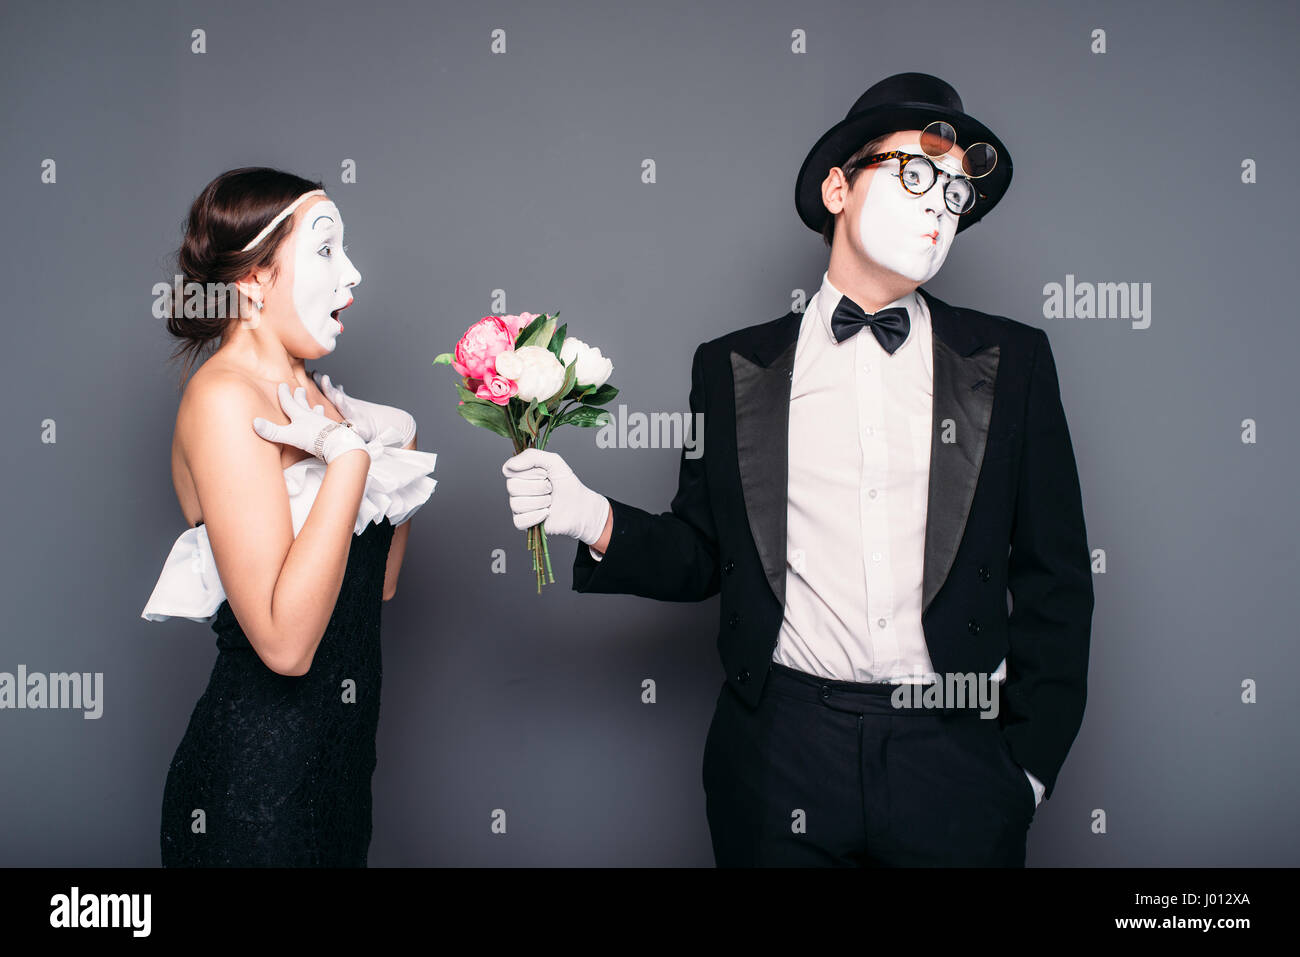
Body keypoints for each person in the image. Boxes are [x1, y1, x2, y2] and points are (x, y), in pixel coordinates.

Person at [501, 73, 1094, 866]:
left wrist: (1025, 773)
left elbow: (1057, 577)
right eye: (915, 173)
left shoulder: (1013, 360)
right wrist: (589, 516)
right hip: (780, 756)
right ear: (837, 187)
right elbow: (704, 552)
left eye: (955, 193)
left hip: (956, 757)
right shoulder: (731, 367)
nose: (938, 204)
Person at [141, 167, 438, 866]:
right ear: (252, 280)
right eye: (327, 250)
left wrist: (399, 441)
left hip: (336, 782)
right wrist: (349, 462)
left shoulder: (312, 395)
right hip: (253, 795)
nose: (352, 272)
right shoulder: (222, 399)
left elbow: (375, 586)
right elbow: (285, 643)